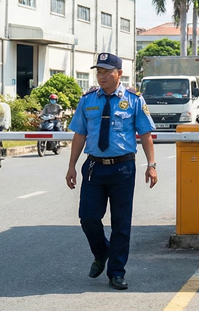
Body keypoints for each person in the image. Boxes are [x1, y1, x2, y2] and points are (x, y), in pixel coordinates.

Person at [65, 52, 157, 291]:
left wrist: (152, 165)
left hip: (123, 168)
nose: (102, 76)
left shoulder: (134, 100)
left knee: (121, 222)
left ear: (119, 74)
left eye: (107, 72)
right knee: (88, 217)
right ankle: (102, 251)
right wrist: (72, 166)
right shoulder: (88, 100)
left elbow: (145, 134)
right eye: (99, 72)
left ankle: (116, 272)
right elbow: (79, 134)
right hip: (94, 167)